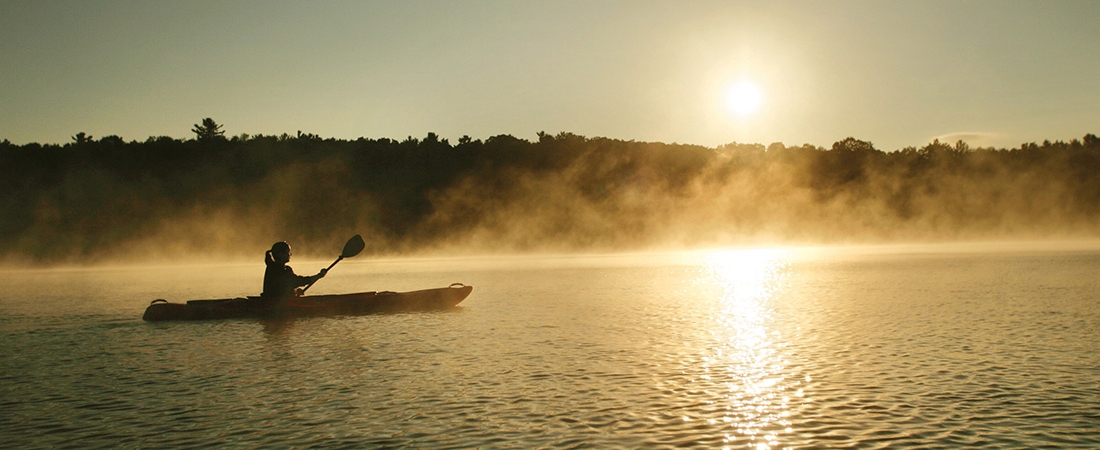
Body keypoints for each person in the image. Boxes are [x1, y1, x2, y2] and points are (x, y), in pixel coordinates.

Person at [262, 241, 327, 297]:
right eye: (288, 252)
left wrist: (295, 292)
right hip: (277, 304)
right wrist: (319, 276)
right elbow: (299, 281)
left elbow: (288, 285)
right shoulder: (278, 270)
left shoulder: (275, 267)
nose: (290, 254)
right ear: (280, 254)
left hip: (278, 302)